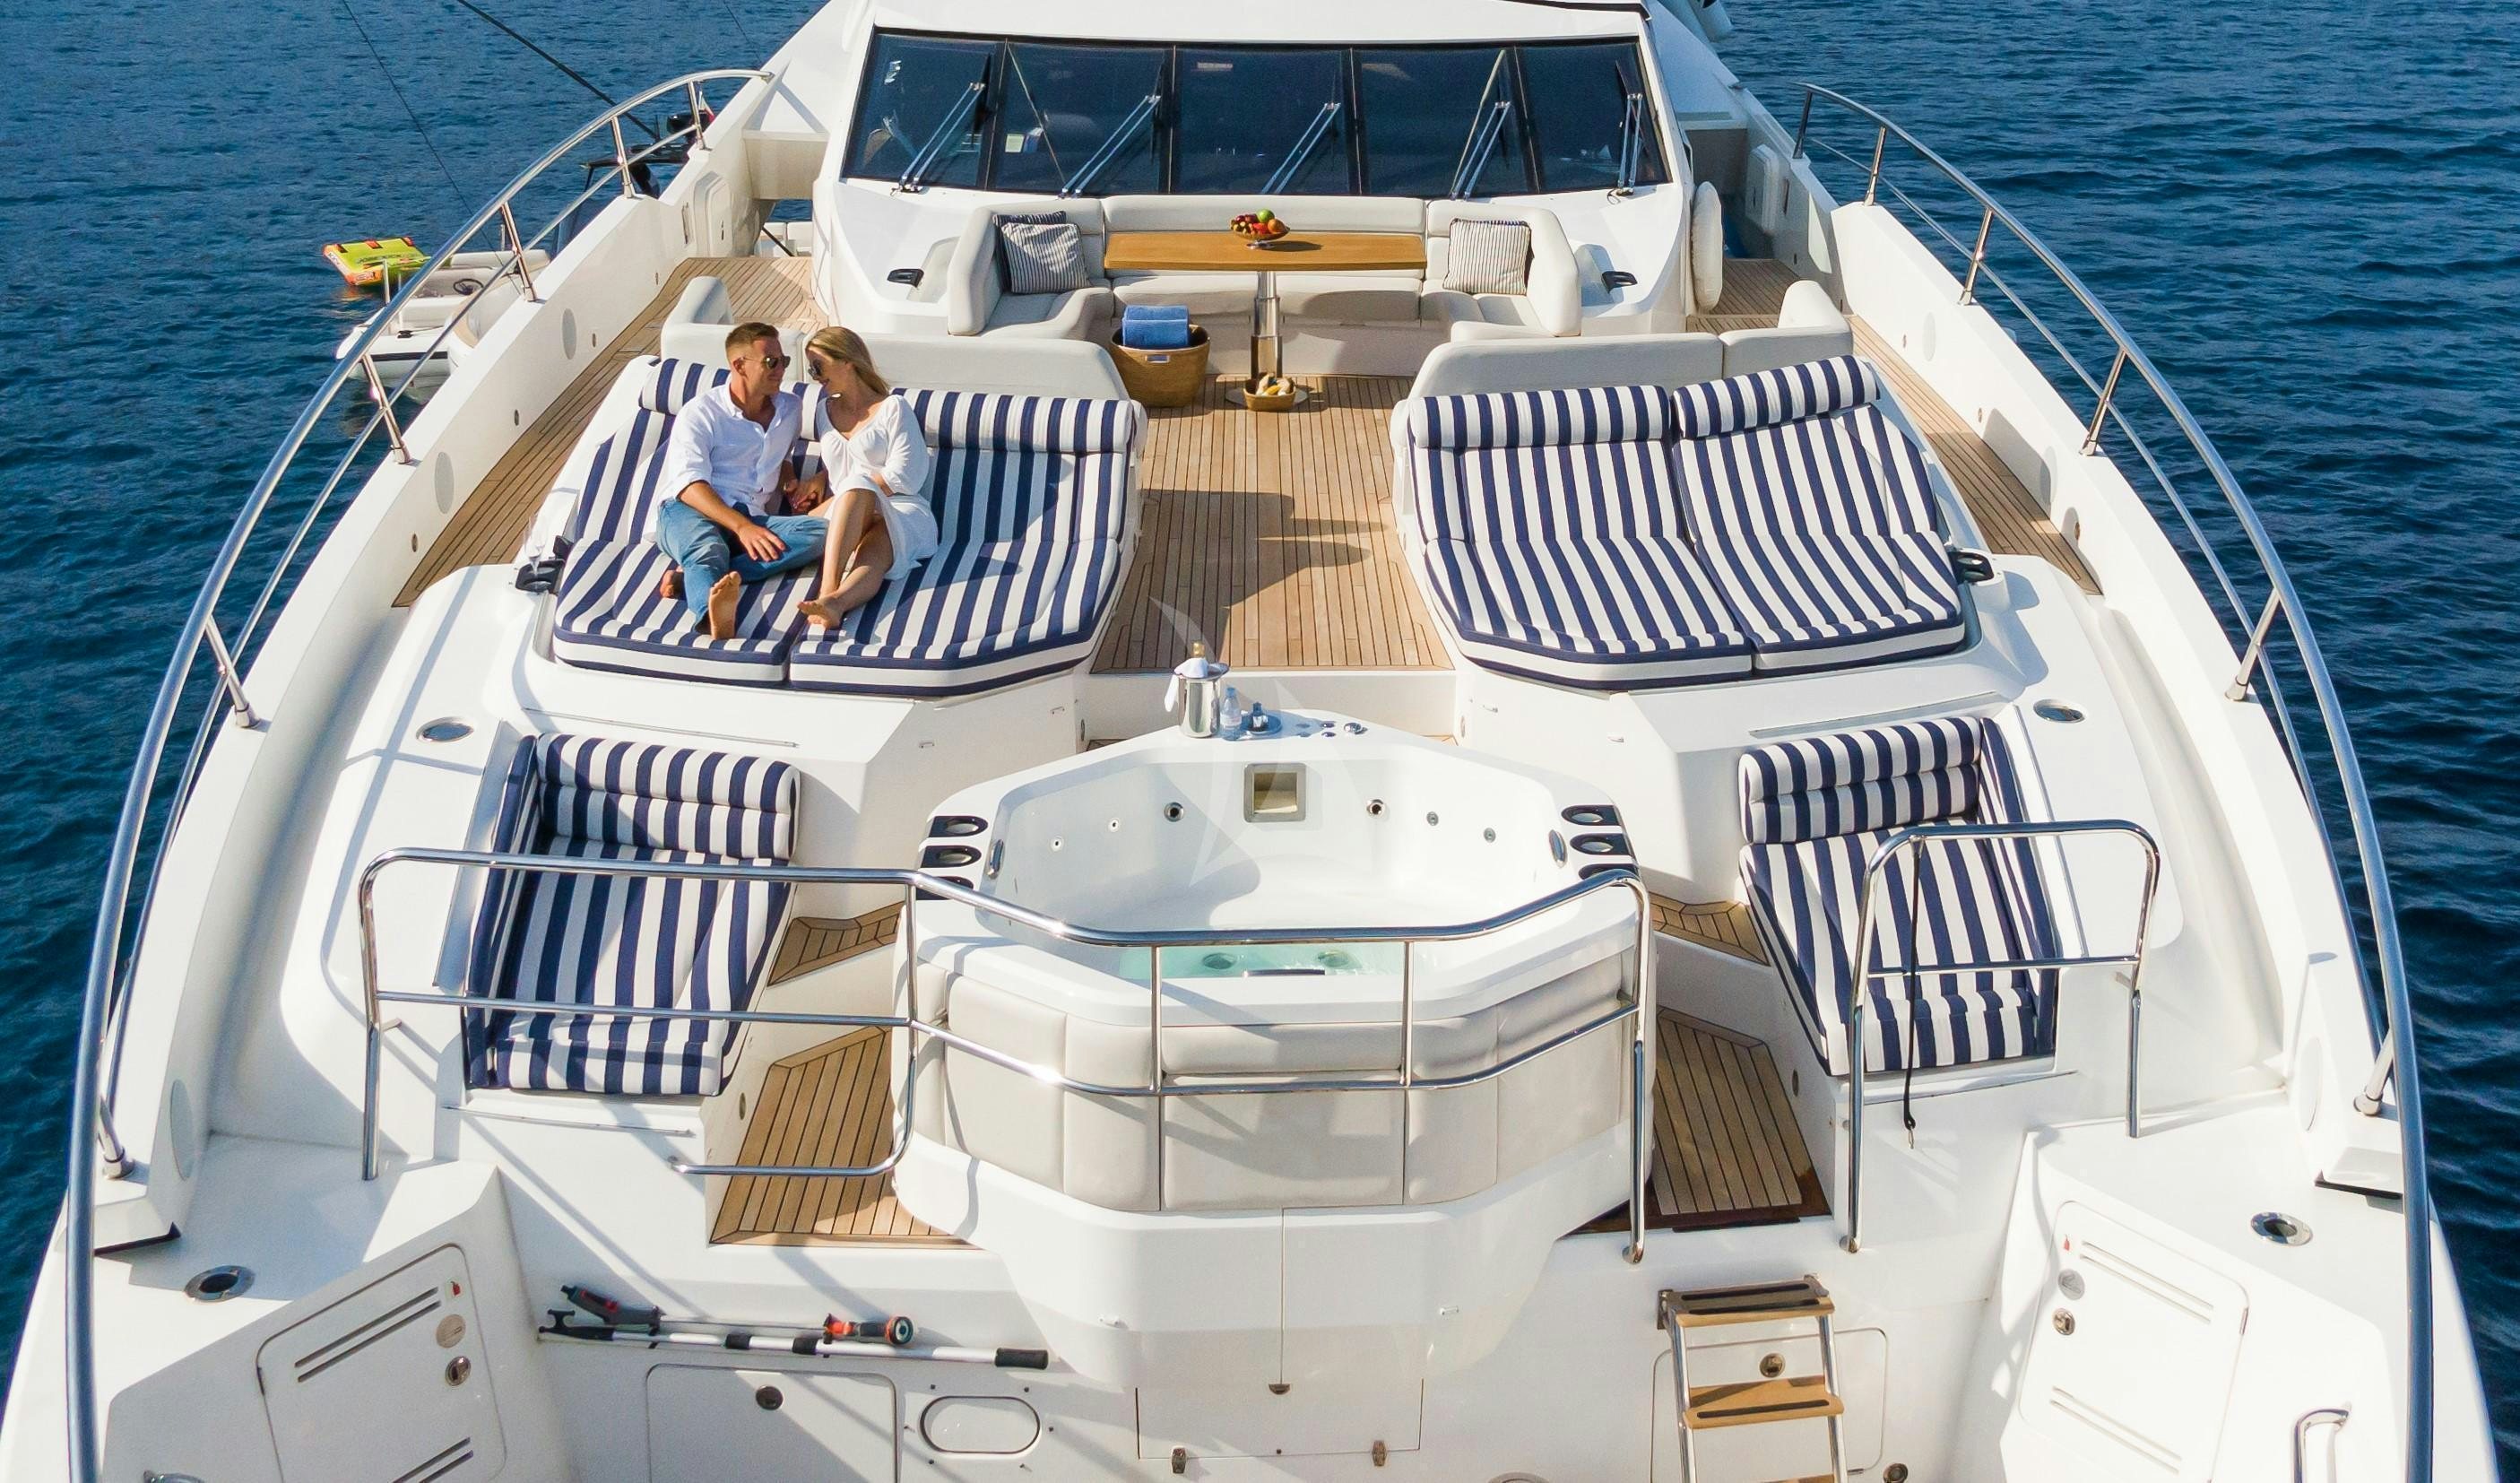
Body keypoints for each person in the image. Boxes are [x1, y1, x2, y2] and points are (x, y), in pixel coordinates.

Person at [652, 322, 827, 639]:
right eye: (771, 362)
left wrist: (791, 483)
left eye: (784, 361)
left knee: (821, 534)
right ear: (739, 365)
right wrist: (742, 528)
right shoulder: (701, 414)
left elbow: (781, 457)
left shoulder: (790, 409)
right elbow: (689, 485)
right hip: (689, 511)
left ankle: (695, 578)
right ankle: (712, 618)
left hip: (751, 515)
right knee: (707, 547)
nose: (781, 370)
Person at [793, 326, 938, 629]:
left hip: (902, 509)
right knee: (868, 538)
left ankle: (829, 594)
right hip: (849, 516)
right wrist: (821, 477)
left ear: (847, 361)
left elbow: (907, 476)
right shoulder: (822, 411)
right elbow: (845, 461)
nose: (814, 376)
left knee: (875, 531)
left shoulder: (893, 408)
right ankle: (835, 602)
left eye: (818, 366)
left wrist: (852, 492)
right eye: (810, 369)